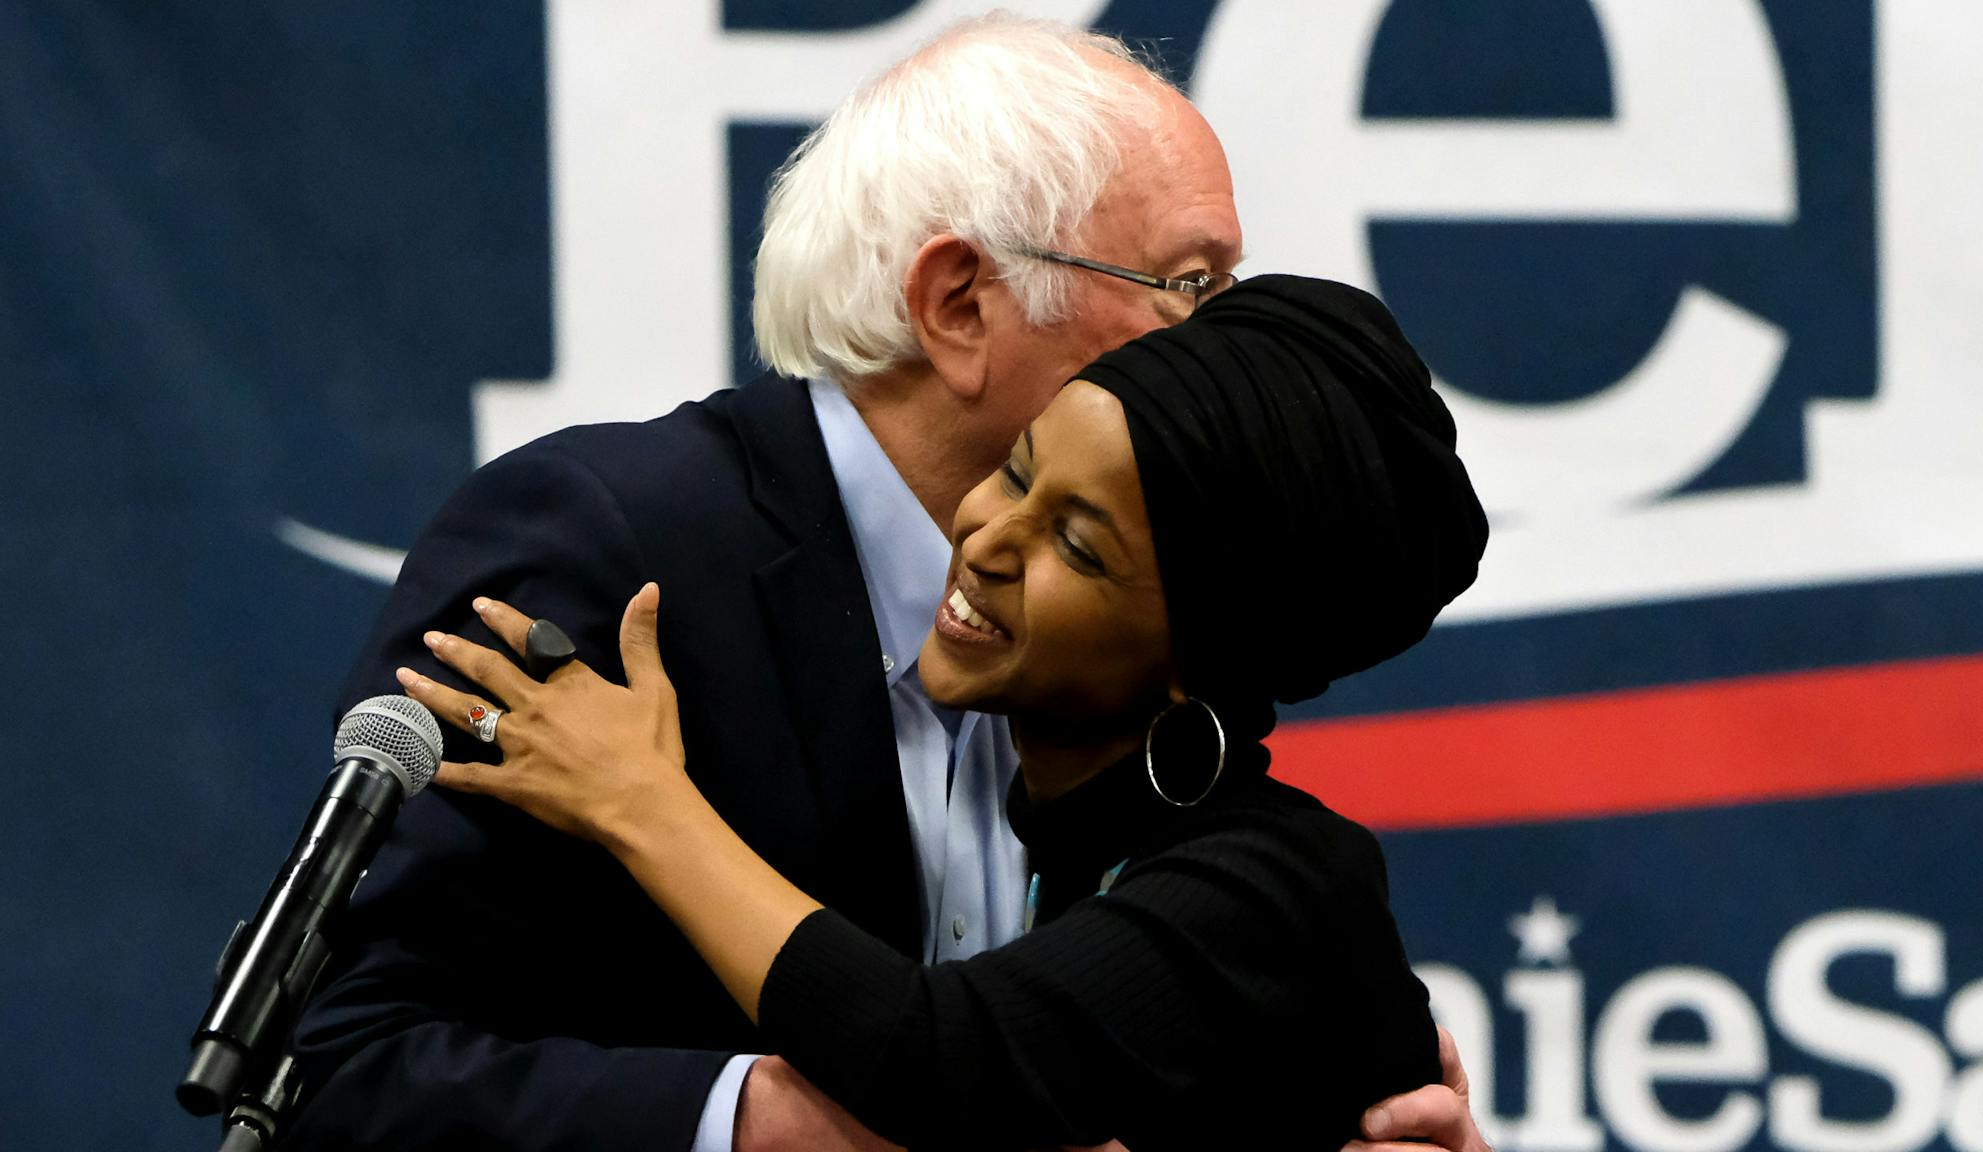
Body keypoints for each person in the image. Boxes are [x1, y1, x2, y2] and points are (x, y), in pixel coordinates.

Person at [284, 16, 1492, 1152]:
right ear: (961, 302)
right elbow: (330, 1065)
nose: (1227, 347)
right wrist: (761, 1124)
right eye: (1189, 286)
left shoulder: (1169, 772)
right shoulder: (611, 548)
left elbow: (983, 1056)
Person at [394, 274, 1487, 1151]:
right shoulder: (1058, 844)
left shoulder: (1272, 881)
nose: (987, 539)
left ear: (1188, 660)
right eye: (1015, 473)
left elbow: (940, 1060)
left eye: (1075, 545)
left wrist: (639, 801)